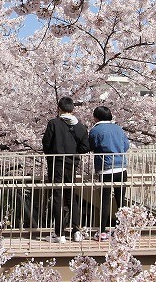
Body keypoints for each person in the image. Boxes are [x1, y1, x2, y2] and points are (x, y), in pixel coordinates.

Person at [42, 96, 90, 242]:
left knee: (57, 195)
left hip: (56, 162)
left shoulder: (54, 123)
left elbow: (46, 143)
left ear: (59, 108)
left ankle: (59, 233)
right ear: (73, 109)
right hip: (72, 163)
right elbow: (85, 147)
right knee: (71, 195)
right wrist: (74, 152)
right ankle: (77, 232)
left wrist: (52, 153)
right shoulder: (80, 126)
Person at [88, 106, 130, 237]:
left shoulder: (95, 130)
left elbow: (90, 146)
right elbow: (126, 145)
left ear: (96, 117)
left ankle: (102, 231)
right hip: (121, 167)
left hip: (106, 168)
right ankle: (122, 228)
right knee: (120, 199)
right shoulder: (118, 129)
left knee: (105, 200)